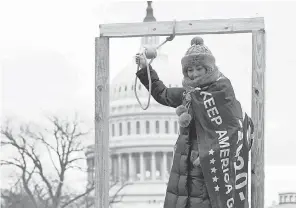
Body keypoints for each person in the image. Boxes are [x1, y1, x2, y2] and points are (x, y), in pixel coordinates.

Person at [135, 36, 253, 208]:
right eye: (189, 70)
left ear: (209, 68)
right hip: (184, 165)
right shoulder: (188, 94)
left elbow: (234, 130)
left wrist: (207, 156)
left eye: (199, 68)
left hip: (208, 167)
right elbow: (163, 94)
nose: (194, 73)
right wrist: (146, 69)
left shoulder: (223, 93)